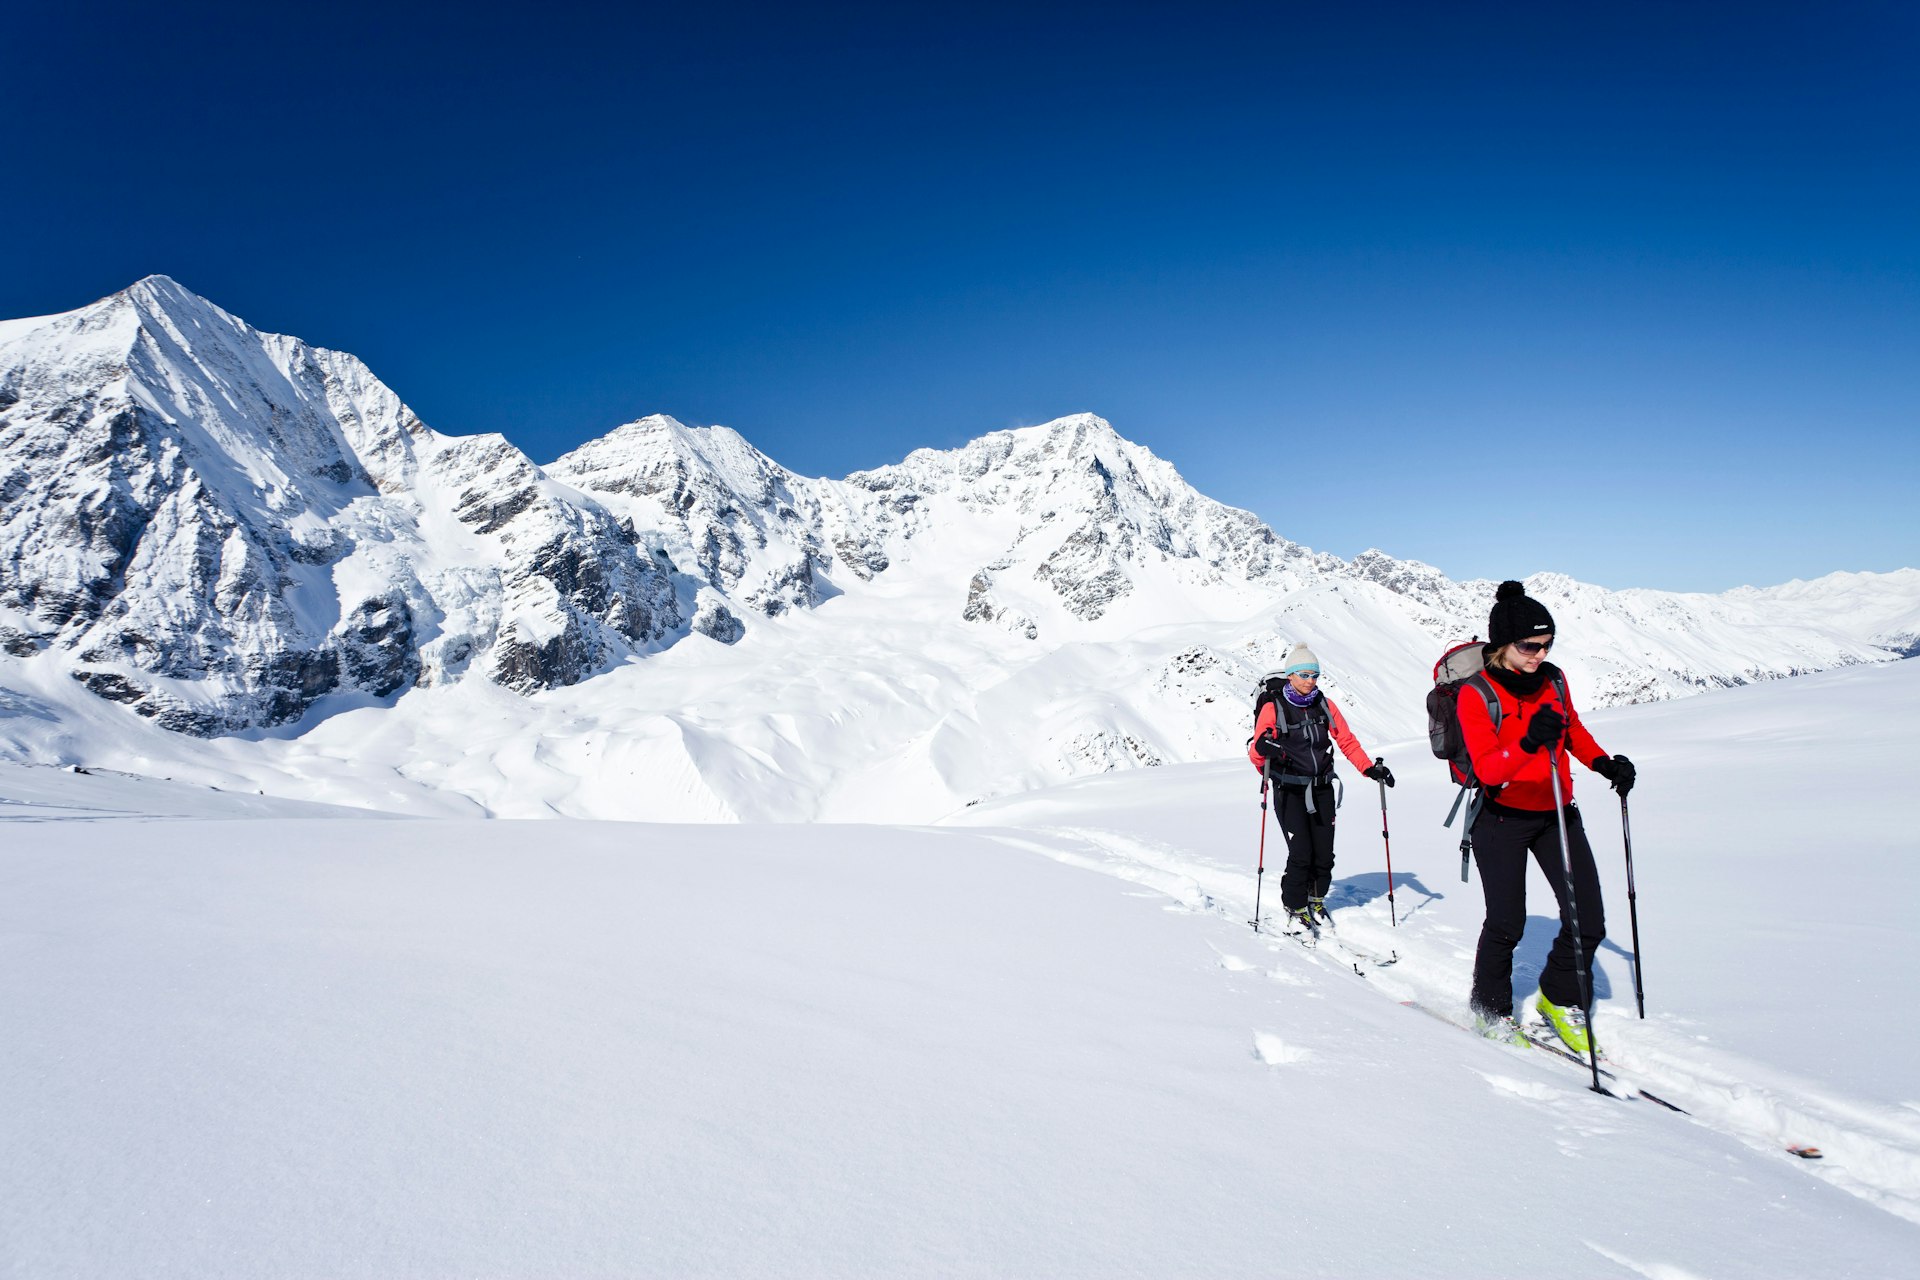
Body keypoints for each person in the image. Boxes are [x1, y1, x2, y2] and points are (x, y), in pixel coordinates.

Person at [1458, 580, 1636, 1052]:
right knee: (1506, 923)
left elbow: (1572, 729)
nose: (1540, 653)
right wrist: (1529, 742)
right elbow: (1488, 769)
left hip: (1557, 814)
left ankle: (1558, 999)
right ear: (1502, 645)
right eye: (1530, 645)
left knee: (1589, 920)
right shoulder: (1476, 694)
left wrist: (1603, 763)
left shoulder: (1554, 679)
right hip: (1500, 819)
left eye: (1547, 644)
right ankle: (1488, 1009)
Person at [1247, 642, 1392, 929]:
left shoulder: (1324, 704)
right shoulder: (1273, 706)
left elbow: (1346, 740)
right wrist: (1264, 748)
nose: (1310, 681)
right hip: (1289, 790)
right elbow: (1255, 751)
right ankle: (1295, 905)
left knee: (1324, 853)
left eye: (1315, 675)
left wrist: (1368, 769)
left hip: (1323, 788)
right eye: (1304, 675)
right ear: (1290, 675)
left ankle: (1316, 900)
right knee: (1301, 852)